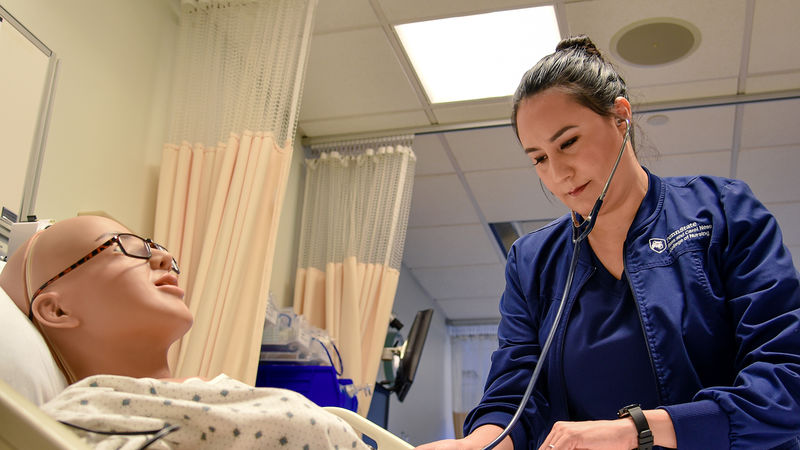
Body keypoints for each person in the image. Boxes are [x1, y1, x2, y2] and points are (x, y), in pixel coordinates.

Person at [418, 35, 800, 450]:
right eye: (539, 158)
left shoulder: (721, 212)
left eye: (568, 142)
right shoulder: (531, 262)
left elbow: (786, 382)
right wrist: (482, 443)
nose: (558, 173)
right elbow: (514, 396)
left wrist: (638, 431)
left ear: (621, 116)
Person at [0, 215, 371, 449]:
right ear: (57, 309)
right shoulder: (88, 416)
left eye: (156, 248)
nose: (163, 258)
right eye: (124, 247)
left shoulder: (213, 392)